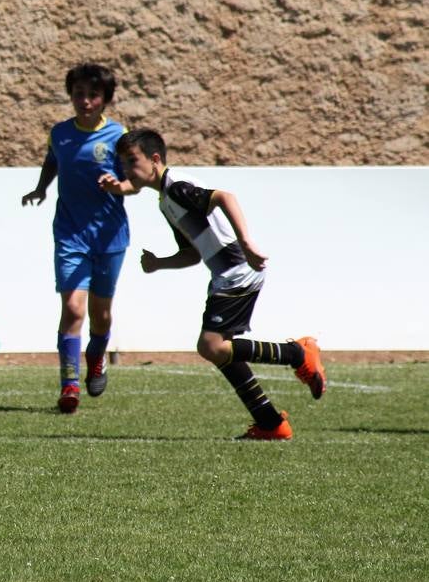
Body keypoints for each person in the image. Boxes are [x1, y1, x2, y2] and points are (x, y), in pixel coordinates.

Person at [100, 128, 326, 440]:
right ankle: (270, 423)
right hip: (224, 274)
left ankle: (297, 354)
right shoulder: (166, 199)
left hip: (238, 271)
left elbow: (224, 196)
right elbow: (192, 254)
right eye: (122, 163)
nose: (126, 169)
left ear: (154, 160)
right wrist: (159, 263)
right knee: (223, 352)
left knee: (210, 346)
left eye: (131, 161)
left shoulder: (177, 188)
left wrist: (246, 242)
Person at [21, 63, 130, 414]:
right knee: (72, 308)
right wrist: (40, 189)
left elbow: (138, 179)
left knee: (101, 315)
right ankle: (69, 386)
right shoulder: (60, 133)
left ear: (105, 100)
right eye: (79, 93)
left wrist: (121, 186)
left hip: (110, 234)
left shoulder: (118, 136)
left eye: (93, 95)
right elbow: (53, 160)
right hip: (70, 232)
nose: (85, 101)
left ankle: (96, 358)